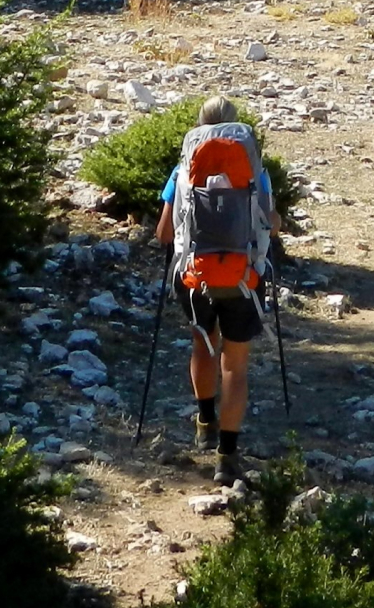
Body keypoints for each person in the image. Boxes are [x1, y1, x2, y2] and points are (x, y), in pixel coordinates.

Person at [154, 95, 279, 486]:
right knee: (235, 365)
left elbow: (163, 233)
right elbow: (270, 225)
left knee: (202, 344)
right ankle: (227, 457)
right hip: (244, 278)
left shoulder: (183, 170)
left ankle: (204, 420)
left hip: (195, 277)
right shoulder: (255, 171)